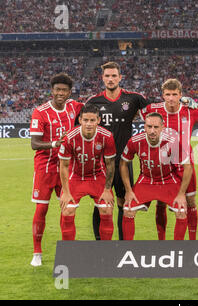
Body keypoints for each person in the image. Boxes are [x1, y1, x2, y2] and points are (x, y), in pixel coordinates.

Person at [86, 61, 149, 240]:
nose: (111, 79)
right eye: (107, 76)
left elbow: (156, 112)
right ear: (102, 78)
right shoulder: (93, 101)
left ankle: (123, 244)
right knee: (101, 203)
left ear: (120, 77)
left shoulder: (134, 98)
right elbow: (82, 125)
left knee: (123, 202)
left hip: (123, 161)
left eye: (114, 75)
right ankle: (100, 244)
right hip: (101, 162)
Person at [29, 73, 83, 266]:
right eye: (57, 89)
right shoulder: (40, 112)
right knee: (42, 208)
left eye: (64, 90)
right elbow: (34, 144)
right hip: (45, 166)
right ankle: (37, 252)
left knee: (68, 208)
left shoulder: (74, 107)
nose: (60, 93)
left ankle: (67, 250)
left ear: (69, 92)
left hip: (66, 166)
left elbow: (93, 108)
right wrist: (55, 143)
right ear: (51, 91)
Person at [139, 79, 198, 240]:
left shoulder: (191, 110)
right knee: (161, 202)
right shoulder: (153, 109)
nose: (171, 98)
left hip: (185, 163)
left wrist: (195, 102)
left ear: (181, 95)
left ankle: (193, 240)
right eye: (168, 94)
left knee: (190, 201)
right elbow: (134, 111)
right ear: (162, 95)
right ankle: (162, 241)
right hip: (163, 163)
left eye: (175, 94)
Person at [120, 112, 192, 240]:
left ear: (162, 127)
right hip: (146, 180)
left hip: (168, 179)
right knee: (128, 209)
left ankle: (177, 251)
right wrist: (129, 191)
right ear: (144, 127)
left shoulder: (173, 142)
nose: (152, 131)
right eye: (149, 127)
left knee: (181, 211)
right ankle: (127, 249)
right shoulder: (135, 141)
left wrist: (181, 194)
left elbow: (188, 167)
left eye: (156, 127)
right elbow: (123, 164)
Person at [58, 104, 116, 241]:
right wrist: (65, 192)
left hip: (97, 176)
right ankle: (68, 251)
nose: (89, 124)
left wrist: (107, 189)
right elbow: (64, 166)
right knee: (68, 209)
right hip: (76, 177)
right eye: (85, 120)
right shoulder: (69, 137)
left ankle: (105, 251)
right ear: (80, 120)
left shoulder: (106, 136)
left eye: (92, 120)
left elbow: (110, 164)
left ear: (98, 121)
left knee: (107, 208)